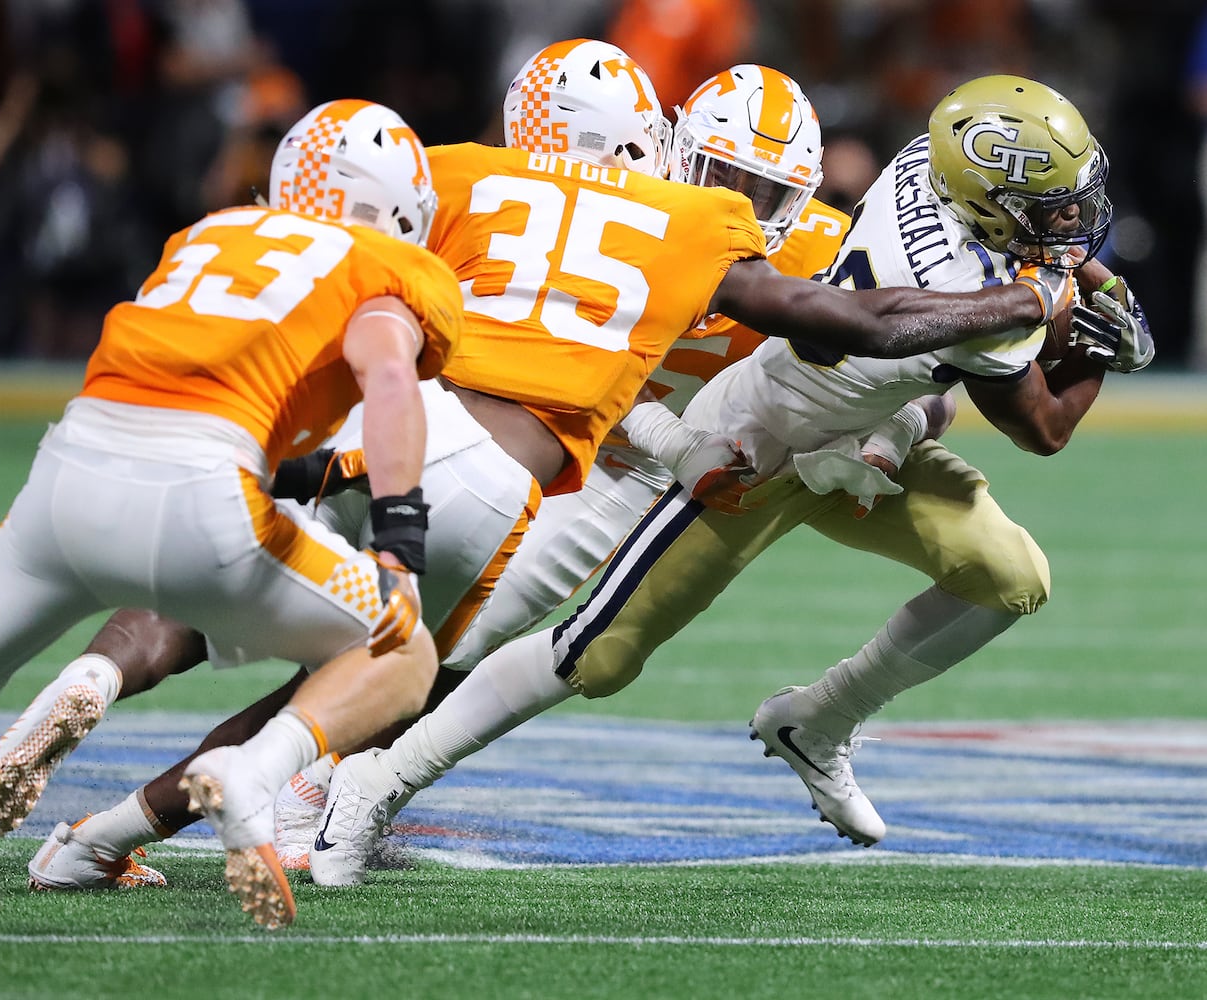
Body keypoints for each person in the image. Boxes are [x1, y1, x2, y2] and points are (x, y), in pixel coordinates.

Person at [8, 50, 1069, 926]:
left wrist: (892, 427)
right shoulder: (685, 224)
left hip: (507, 430)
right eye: (723, 174)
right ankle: (240, 801)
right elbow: (874, 332)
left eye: (763, 190)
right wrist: (668, 436)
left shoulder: (507, 185)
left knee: (279, 578)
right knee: (404, 660)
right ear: (660, 142)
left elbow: (908, 364)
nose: (740, 201)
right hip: (563, 465)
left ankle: (120, 716)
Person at [295, 73, 1154, 883]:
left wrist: (1081, 284)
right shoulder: (977, 310)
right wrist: (1101, 350)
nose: (1071, 221)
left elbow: (1007, 286)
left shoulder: (919, 168)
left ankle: (819, 719)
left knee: (1010, 577)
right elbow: (1041, 426)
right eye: (1050, 207)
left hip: (858, 444)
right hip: (751, 448)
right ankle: (379, 780)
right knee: (595, 655)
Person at [0, 97, 466, 930]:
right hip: (201, 505)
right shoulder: (384, 269)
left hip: (64, 478)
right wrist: (398, 544)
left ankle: (91, 676)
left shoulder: (208, 234)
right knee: (404, 651)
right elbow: (389, 381)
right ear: (394, 208)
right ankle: (253, 774)